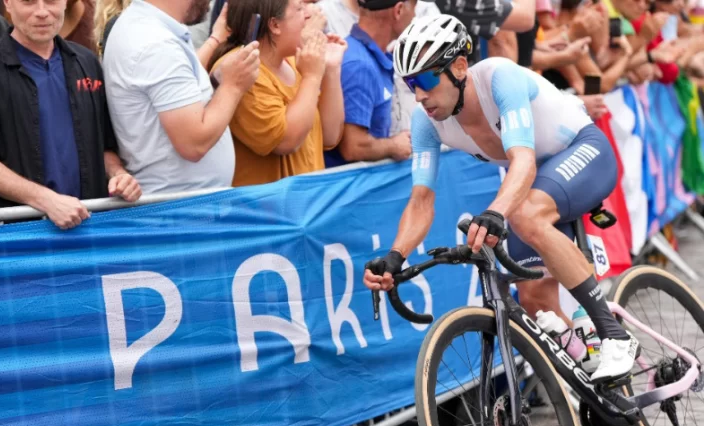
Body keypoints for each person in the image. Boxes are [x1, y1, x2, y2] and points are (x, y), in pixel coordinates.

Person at [363, 14, 639, 383]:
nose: (420, 94)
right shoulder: (425, 121)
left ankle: (614, 335)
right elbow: (421, 200)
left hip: (583, 150)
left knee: (522, 215)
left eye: (427, 78)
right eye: (411, 83)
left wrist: (495, 212)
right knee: (533, 297)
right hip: (538, 179)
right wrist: (396, 256)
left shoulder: (498, 77)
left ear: (460, 66)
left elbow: (522, 160)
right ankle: (598, 387)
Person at [0, 0, 141, 228]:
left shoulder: (87, 63)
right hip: (19, 236)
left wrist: (118, 175)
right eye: (29, 2)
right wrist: (47, 201)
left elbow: (104, 146)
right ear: (8, 3)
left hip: (89, 226)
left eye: (51, 1)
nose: (42, 12)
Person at [103, 0, 259, 194]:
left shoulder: (152, 31)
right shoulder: (155, 43)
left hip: (185, 207)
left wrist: (219, 79)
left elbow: (183, 100)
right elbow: (194, 144)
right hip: (178, 212)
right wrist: (233, 86)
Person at [211, 0, 345, 187]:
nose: (309, 14)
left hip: (308, 207)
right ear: (274, 25)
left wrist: (331, 69)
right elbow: (286, 141)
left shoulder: (295, 61)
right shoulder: (242, 69)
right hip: (267, 211)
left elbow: (330, 136)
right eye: (300, 8)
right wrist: (312, 78)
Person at [324, 0, 429, 168]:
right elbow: (353, 147)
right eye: (413, 7)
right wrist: (392, 146)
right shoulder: (359, 65)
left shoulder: (365, 56)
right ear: (399, 11)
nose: (415, 16)